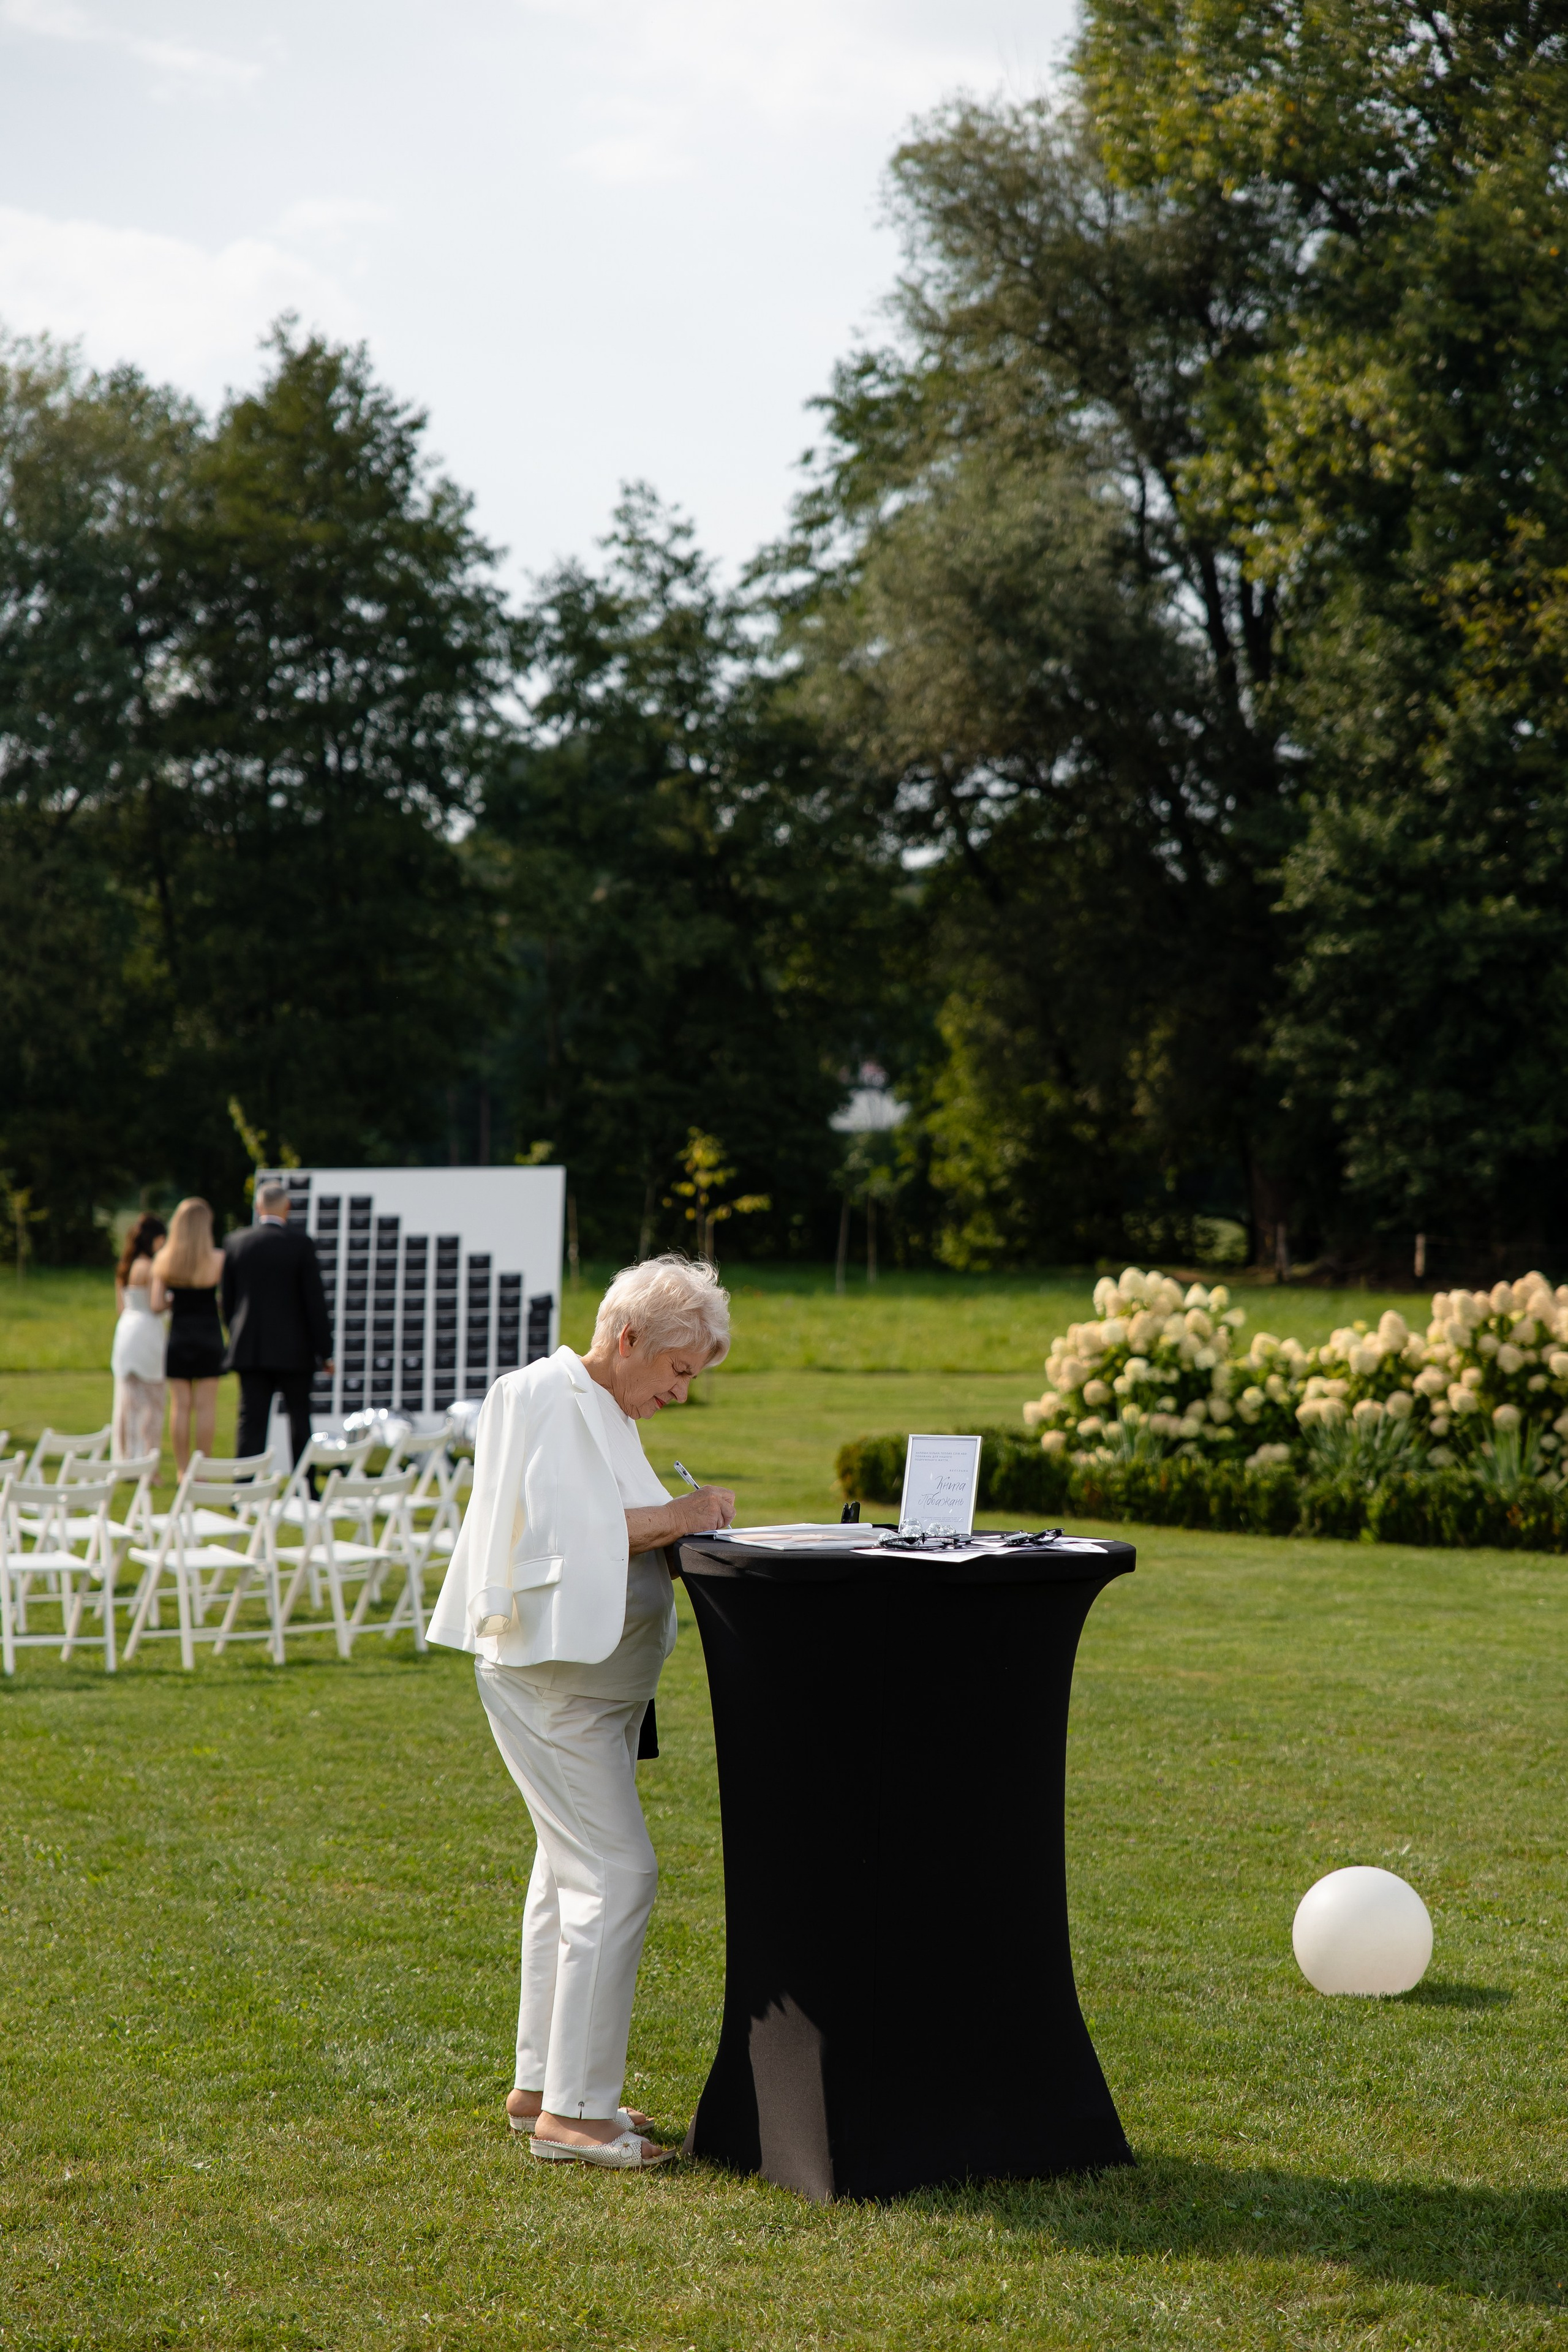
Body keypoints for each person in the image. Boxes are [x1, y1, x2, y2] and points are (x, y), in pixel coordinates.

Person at [428, 1253, 736, 2171]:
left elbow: (611, 1519)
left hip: (589, 1688)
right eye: (679, 1371)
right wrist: (692, 1512)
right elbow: (585, 1534)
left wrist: (683, 1518)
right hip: (557, 1688)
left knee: (567, 1878)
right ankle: (576, 2116)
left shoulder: (600, 1405)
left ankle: (542, 2088)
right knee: (618, 1875)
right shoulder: (554, 1396)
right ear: (629, 1337)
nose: (682, 1392)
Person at [222, 1180, 333, 1466]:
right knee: (300, 1419)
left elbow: (228, 1301)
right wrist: (326, 1352)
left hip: (251, 1349)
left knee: (251, 1421)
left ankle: (244, 1487)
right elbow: (314, 1304)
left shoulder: (236, 1243)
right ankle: (306, 1486)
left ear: (258, 1207)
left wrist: (237, 1334)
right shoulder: (300, 1245)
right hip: (295, 1351)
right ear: (288, 1207)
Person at [152, 1199, 227, 1476]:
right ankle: (202, 1470)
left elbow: (156, 1304)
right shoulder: (218, 1259)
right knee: (206, 1407)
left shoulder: (165, 1259)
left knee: (180, 1407)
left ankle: (183, 1470)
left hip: (180, 1335)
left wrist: (177, 1301)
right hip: (209, 1334)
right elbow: (226, 1301)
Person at [110, 1213, 168, 1461]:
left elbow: (121, 1307)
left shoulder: (125, 1266)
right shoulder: (154, 1268)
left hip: (126, 1329)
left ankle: (125, 1457)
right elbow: (156, 1305)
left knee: (126, 1400)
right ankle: (147, 1459)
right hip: (147, 1331)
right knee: (153, 1403)